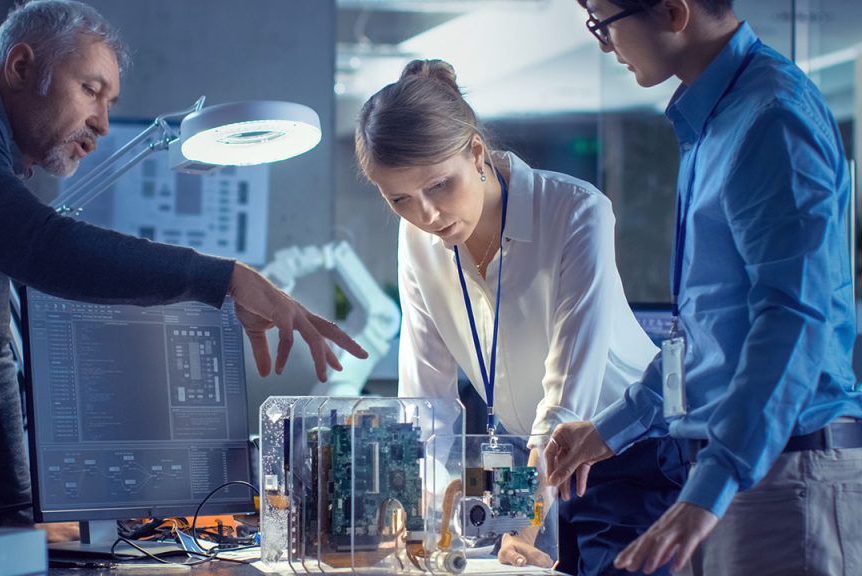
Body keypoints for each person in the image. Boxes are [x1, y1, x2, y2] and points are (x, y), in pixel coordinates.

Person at [0, 0, 365, 535]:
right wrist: (228, 278)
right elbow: (39, 247)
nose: (104, 123)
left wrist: (23, 519)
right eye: (91, 90)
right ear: (21, 68)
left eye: (110, 101)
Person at [544, 1, 862, 574]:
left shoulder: (772, 118)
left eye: (602, 20)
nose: (601, 43)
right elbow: (702, 336)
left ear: (672, 11)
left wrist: (709, 488)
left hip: (779, 474)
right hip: (731, 471)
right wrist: (611, 429)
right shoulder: (714, 120)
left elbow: (793, 321)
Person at [355, 59, 689, 575]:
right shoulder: (418, 238)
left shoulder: (576, 211)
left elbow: (565, 402)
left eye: (440, 186)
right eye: (399, 199)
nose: (426, 215)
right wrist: (424, 526)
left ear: (475, 152)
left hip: (629, 453)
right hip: (526, 466)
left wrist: (523, 528)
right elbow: (425, 398)